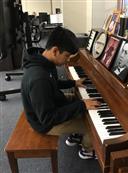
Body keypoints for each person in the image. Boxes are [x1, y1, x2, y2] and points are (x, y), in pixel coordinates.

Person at [21, 26, 100, 159]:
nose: (68, 60)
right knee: (91, 127)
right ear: (55, 50)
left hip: (52, 103)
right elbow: (48, 118)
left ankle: (74, 135)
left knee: (77, 98)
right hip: (45, 123)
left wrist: (73, 83)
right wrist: (81, 105)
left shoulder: (45, 61)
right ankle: (87, 149)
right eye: (67, 56)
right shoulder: (39, 79)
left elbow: (54, 83)